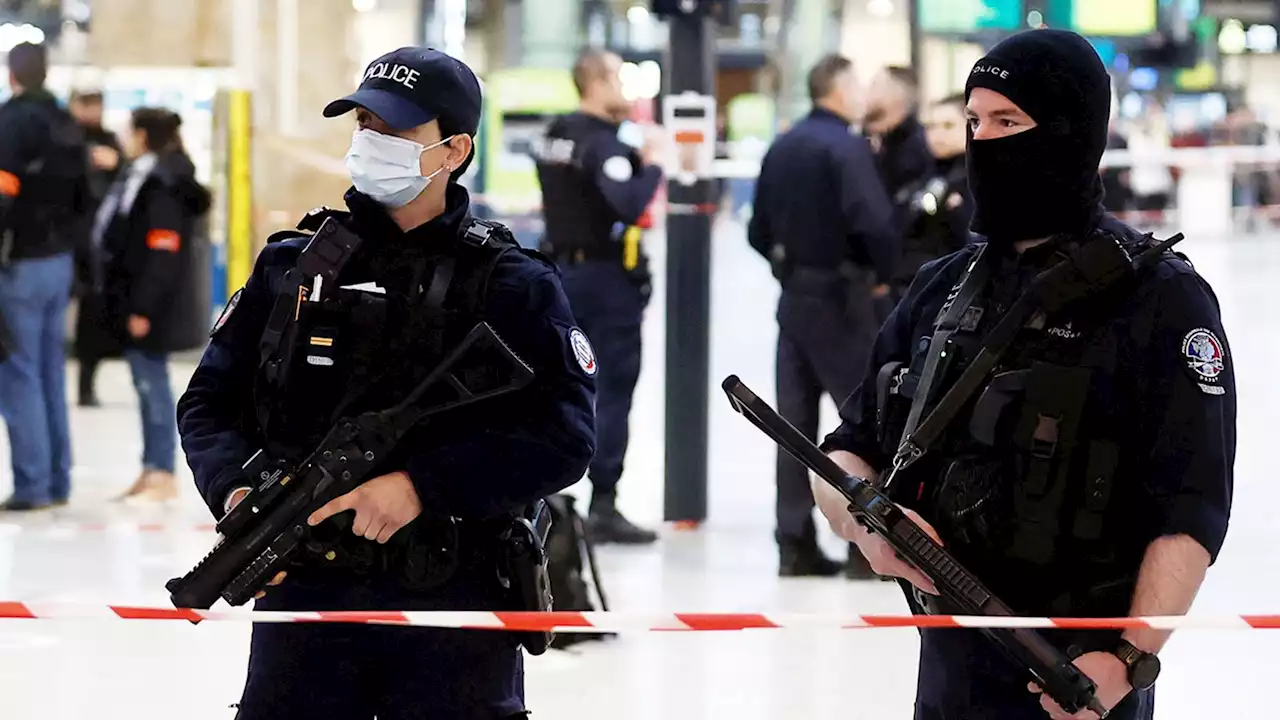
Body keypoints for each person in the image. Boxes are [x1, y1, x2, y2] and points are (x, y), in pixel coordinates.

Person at [813, 30, 1234, 719]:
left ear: (1072, 133)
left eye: (1008, 122)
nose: (985, 143)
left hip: (1080, 682)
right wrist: (869, 526)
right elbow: (842, 450)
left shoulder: (1159, 298)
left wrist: (1128, 657)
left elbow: (1193, 507)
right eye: (975, 121)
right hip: (949, 674)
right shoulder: (942, 288)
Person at [177, 46, 595, 719]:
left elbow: (565, 439)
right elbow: (207, 403)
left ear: (454, 150)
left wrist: (420, 486)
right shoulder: (294, 264)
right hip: (306, 600)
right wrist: (236, 489)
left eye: (396, 130)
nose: (372, 142)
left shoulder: (512, 284)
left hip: (451, 603)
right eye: (363, 123)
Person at [747, 53, 898, 578]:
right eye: (856, 82)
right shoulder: (846, 147)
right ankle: (864, 549)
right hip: (843, 298)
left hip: (795, 299)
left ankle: (794, 543)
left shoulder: (783, 145)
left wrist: (788, 269)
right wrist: (884, 273)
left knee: (793, 426)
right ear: (836, 88)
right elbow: (874, 221)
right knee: (863, 423)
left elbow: (757, 230)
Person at [532, 49, 664, 545]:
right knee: (612, 388)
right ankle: (603, 503)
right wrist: (653, 165)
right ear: (596, 83)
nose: (627, 91)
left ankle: (546, 498)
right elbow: (627, 204)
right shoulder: (604, 144)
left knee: (557, 384)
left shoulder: (553, 136)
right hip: (605, 282)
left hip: (560, 274)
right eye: (619, 80)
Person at [100, 107, 211, 504]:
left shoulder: (163, 181)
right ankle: (151, 468)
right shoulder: (144, 173)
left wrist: (143, 307)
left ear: (144, 135)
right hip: (136, 300)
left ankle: (163, 471)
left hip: (151, 306)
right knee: (146, 385)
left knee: (154, 387)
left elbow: (162, 250)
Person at [0, 42, 90, 511]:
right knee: (51, 374)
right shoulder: (64, 122)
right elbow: (84, 199)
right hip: (60, 262)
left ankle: (31, 484)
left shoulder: (13, 120)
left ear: (13, 75)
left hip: (23, 264)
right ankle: (57, 481)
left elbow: (3, 190)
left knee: (18, 374)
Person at [69, 89, 124, 408]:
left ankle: (87, 383)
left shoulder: (109, 141)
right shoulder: (67, 139)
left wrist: (116, 163)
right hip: (70, 240)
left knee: (94, 315)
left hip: (101, 245)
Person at [889, 93, 973, 293]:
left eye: (948, 125)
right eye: (931, 126)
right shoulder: (919, 175)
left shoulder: (977, 181)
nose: (937, 134)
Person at [865, 67, 935, 252]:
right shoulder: (869, 141)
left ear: (896, 96)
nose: (865, 92)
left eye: (874, 86)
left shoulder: (920, 147)